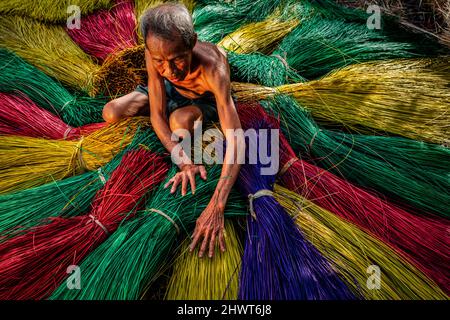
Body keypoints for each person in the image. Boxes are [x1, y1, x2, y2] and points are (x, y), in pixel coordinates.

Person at [102, 3, 244, 258]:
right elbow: (157, 114)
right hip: (168, 94)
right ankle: (178, 126)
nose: (170, 70)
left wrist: (217, 205)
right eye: (160, 61)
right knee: (111, 112)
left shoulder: (214, 69)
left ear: (192, 43)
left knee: (178, 121)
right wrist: (184, 161)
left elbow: (237, 141)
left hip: (201, 101)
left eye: (178, 58)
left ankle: (184, 122)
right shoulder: (156, 53)